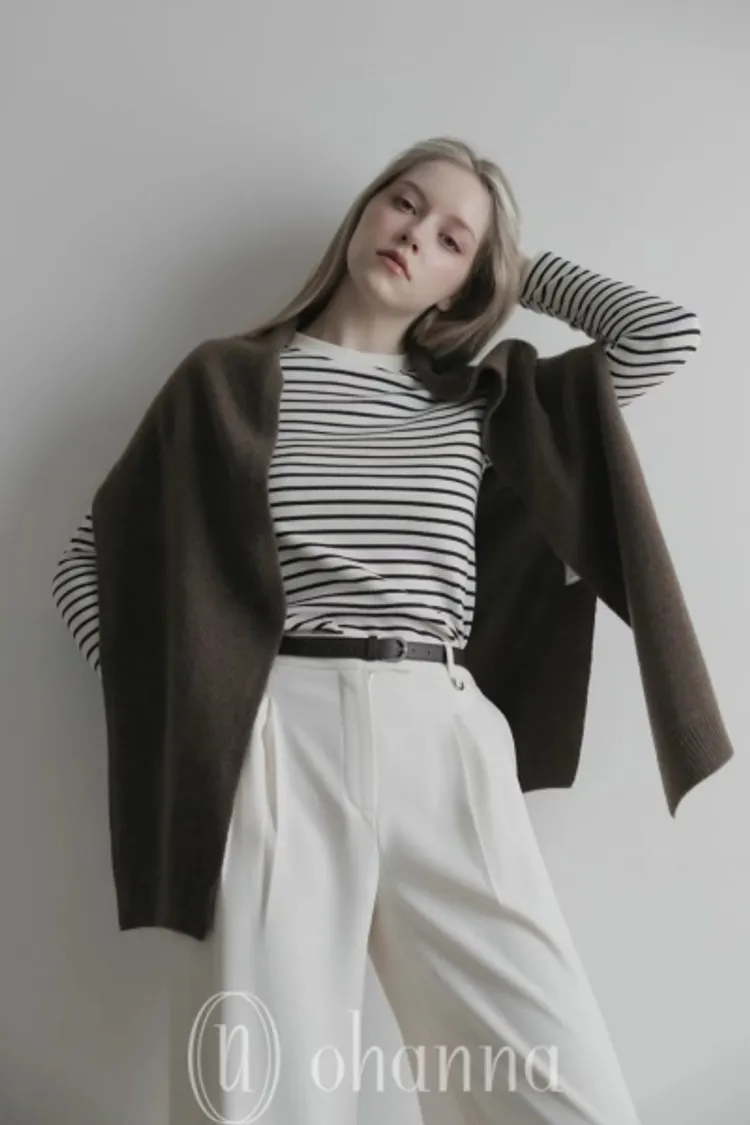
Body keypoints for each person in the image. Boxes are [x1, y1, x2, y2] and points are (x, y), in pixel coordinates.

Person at [52, 136, 702, 1124]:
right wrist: (194, 718)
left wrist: (513, 266)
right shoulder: (226, 380)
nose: (415, 234)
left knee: (568, 1094)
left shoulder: (483, 399)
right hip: (273, 734)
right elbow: (85, 566)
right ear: (364, 211)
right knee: (260, 1095)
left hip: (440, 733)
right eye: (403, 202)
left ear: (468, 279)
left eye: (451, 238)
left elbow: (660, 335)